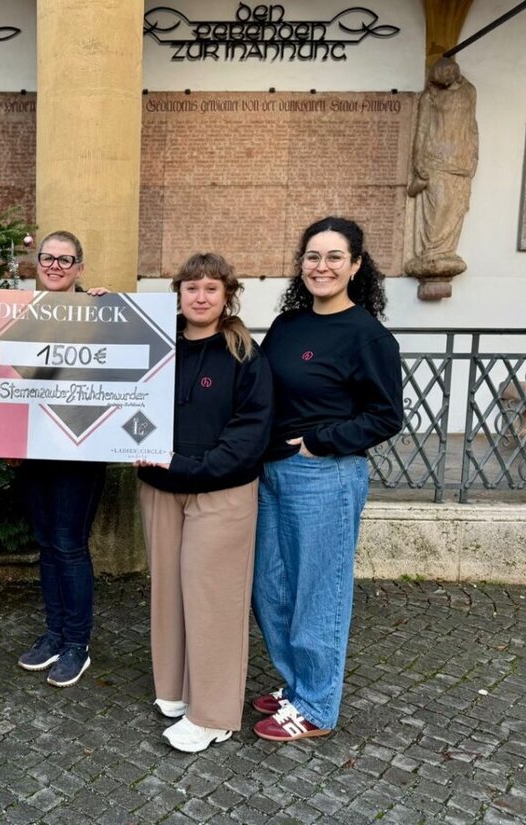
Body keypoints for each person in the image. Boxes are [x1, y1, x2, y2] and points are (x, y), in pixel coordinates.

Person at [251, 216, 404, 741]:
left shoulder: (367, 336)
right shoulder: (287, 326)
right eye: (313, 257)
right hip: (268, 472)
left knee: (318, 590)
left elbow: (385, 416)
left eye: (335, 257)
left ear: (356, 265)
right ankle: (296, 682)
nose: (322, 266)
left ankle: (315, 707)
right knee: (268, 585)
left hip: (324, 476)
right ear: (301, 265)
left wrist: (320, 442)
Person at [135, 252, 272, 752]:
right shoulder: (156, 341)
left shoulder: (244, 355)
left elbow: (250, 432)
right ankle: (173, 688)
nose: (200, 296)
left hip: (222, 490)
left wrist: (193, 467)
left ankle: (213, 714)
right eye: (191, 287)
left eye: (210, 288)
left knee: (213, 598)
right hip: (160, 488)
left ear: (226, 295)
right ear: (178, 294)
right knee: (169, 592)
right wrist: (101, 309)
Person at [15, 230, 108, 688]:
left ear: (80, 266)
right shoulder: (21, 313)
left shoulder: (98, 310)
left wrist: (114, 310)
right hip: (33, 449)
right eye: (47, 258)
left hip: (80, 447)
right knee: (48, 543)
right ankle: (54, 634)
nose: (55, 266)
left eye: (65, 259)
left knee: (69, 544)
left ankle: (77, 644)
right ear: (37, 263)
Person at [404, 56, 478, 282]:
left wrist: (474, 154)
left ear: (453, 73)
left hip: (461, 160)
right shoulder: (430, 96)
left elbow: (471, 124)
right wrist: (417, 161)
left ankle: (446, 252)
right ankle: (431, 252)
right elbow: (422, 129)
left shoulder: (469, 92)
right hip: (435, 159)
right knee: (440, 205)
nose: (442, 82)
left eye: (446, 77)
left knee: (455, 208)